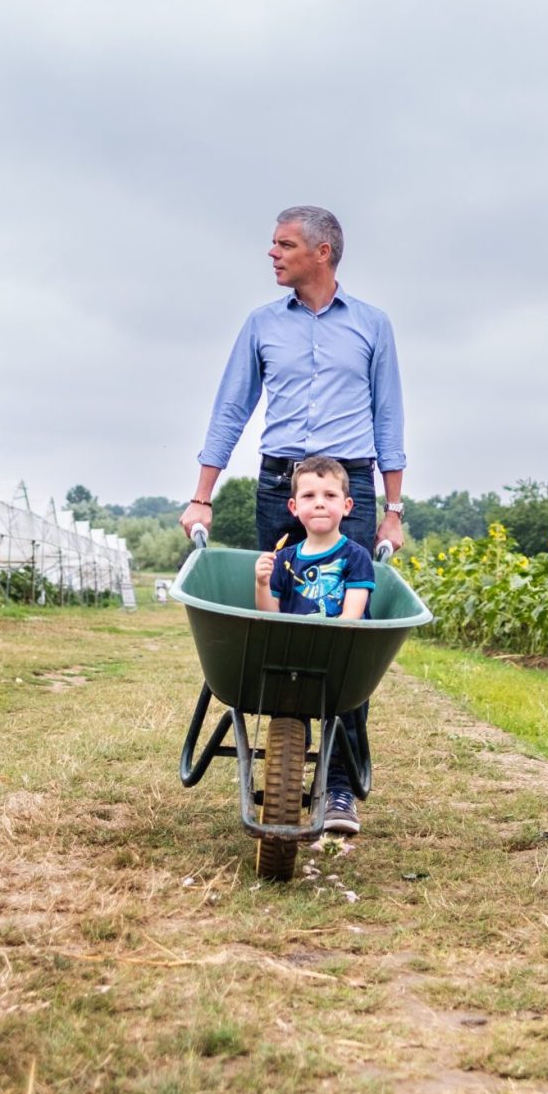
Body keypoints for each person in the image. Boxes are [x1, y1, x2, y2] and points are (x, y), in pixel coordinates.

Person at [181, 205, 406, 834]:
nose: (272, 254)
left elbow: (388, 419)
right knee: (285, 623)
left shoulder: (370, 326)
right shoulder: (260, 326)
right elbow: (231, 409)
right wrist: (202, 495)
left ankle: (337, 787)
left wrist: (391, 511)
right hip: (282, 484)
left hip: (350, 486)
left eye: (284, 244)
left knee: (342, 633)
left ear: (323, 251)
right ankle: (283, 754)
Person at [254, 457, 375, 621]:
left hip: (341, 642)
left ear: (346, 506)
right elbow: (269, 616)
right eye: (309, 495)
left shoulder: (357, 556)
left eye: (330, 495)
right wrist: (262, 584)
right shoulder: (282, 559)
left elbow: (351, 616)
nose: (319, 503)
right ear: (294, 507)